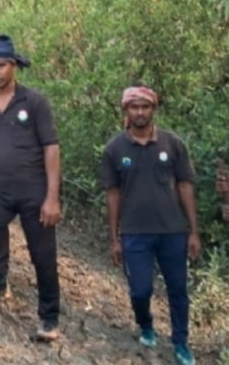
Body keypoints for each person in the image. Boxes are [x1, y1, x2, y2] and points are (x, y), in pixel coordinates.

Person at [0, 34, 61, 342]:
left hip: (35, 190)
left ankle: (48, 318)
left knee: (42, 256)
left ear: (14, 65)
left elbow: (51, 148)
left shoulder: (33, 102)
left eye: (1, 65)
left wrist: (52, 198)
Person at [100, 86, 201, 365]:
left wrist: (193, 231)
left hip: (173, 232)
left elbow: (185, 187)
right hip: (135, 233)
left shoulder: (172, 144)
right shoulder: (115, 148)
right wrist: (114, 238)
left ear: (153, 109)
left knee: (178, 290)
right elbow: (112, 194)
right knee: (140, 290)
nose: (140, 112)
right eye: (135, 107)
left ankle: (180, 343)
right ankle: (145, 325)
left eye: (145, 107)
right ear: (126, 110)